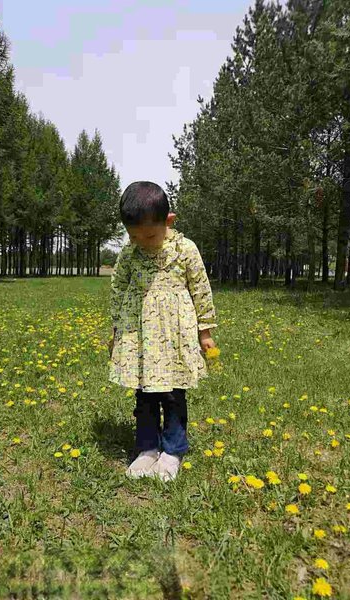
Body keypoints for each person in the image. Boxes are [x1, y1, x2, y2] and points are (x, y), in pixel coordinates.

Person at [108, 181, 218, 481]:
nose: (141, 242)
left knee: (172, 394)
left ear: (168, 221)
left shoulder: (185, 249)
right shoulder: (130, 253)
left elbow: (201, 289)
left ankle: (172, 451)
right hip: (140, 335)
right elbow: (118, 288)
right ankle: (147, 449)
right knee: (144, 395)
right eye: (134, 236)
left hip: (175, 336)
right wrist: (115, 329)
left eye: (149, 236)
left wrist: (205, 331)